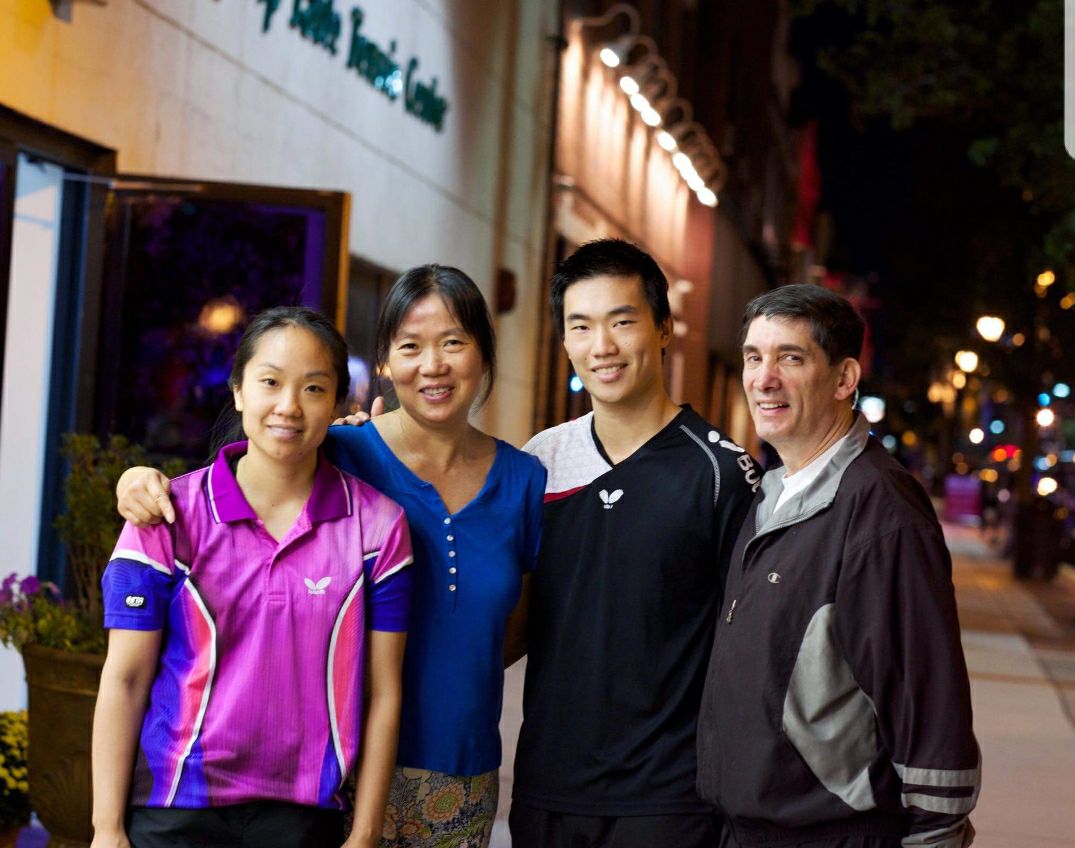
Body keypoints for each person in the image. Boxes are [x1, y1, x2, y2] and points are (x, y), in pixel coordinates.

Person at [115, 266, 547, 848]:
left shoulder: (523, 479)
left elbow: (521, 621)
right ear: (386, 363)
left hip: (458, 763)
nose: (434, 365)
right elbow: (237, 487)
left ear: (484, 352)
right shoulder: (338, 445)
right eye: (411, 346)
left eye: (454, 342)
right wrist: (138, 481)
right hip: (330, 775)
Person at [93, 307, 412, 848]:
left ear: (337, 405)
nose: (288, 406)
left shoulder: (379, 528)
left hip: (302, 816)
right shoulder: (168, 516)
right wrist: (106, 829)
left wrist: (364, 834)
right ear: (239, 391)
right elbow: (124, 679)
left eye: (313, 388)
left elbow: (384, 692)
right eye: (270, 382)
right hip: (172, 809)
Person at [695, 285, 980, 847]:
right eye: (755, 357)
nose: (763, 378)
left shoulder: (882, 513)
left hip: (830, 835)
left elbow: (927, 703)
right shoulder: (769, 494)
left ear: (845, 379)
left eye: (791, 358)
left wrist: (937, 834)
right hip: (748, 831)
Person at [509, 239, 761, 848]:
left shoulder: (724, 474)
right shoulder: (539, 461)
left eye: (622, 322)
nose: (603, 347)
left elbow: (750, 651)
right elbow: (509, 625)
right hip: (546, 789)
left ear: (664, 328)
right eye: (581, 326)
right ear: (564, 341)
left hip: (668, 801)